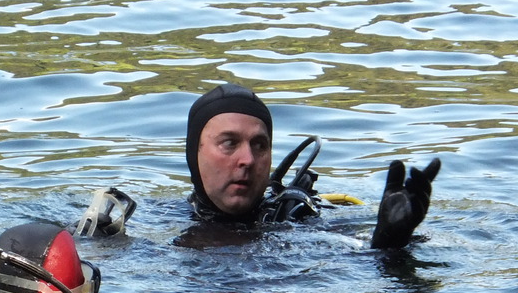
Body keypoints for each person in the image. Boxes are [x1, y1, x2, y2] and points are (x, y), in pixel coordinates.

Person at [184, 83, 440, 248]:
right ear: (194, 153)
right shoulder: (163, 223)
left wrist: (391, 242)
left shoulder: (302, 220)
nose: (248, 160)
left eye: (259, 145)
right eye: (229, 143)